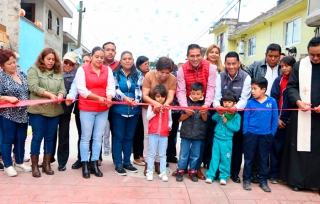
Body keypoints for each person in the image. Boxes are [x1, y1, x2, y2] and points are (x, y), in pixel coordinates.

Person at [279, 37, 320, 192]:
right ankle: (298, 181)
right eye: (312, 55)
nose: (315, 58)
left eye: (319, 55)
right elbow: (292, 87)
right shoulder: (300, 65)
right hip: (302, 114)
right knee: (300, 149)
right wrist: (297, 101)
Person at [73, 46, 115, 178]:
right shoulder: (82, 70)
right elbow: (82, 90)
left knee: (98, 137)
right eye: (97, 57)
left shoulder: (107, 69)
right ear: (91, 57)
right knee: (86, 137)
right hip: (87, 108)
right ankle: (84, 163)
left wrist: (108, 97)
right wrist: (98, 98)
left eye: (102, 58)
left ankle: (94, 163)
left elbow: (111, 87)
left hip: (103, 109)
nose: (99, 59)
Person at [176, 44, 216, 179]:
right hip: (188, 104)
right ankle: (182, 169)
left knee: (200, 141)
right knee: (185, 143)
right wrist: (184, 107)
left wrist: (206, 104)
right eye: (192, 56)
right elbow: (181, 90)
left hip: (204, 104)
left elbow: (211, 88)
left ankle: (195, 169)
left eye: (198, 55)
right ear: (187, 56)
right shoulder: (182, 70)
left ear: (202, 55)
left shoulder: (211, 67)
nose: (195, 58)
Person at [27, 48, 67, 177]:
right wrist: (50, 95)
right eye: (48, 59)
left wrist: (61, 94)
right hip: (38, 110)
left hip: (54, 111)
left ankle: (46, 163)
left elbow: (63, 89)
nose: (50, 62)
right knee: (37, 136)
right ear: (42, 59)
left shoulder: (57, 72)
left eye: (53, 59)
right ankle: (34, 165)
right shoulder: (34, 70)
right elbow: (33, 87)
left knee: (50, 138)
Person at [245, 43, 281, 183]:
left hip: (272, 107)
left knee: (266, 151)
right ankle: (251, 175)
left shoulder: (282, 67)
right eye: (270, 56)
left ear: (279, 56)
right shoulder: (256, 65)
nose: (272, 59)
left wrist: (272, 131)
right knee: (251, 152)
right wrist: (246, 131)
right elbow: (246, 76)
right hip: (255, 108)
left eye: (275, 56)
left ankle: (267, 176)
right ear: (265, 55)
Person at [213, 51, 251, 183]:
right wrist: (219, 108)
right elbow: (216, 96)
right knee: (219, 143)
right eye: (228, 64)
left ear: (239, 63)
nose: (231, 66)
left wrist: (233, 109)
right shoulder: (220, 76)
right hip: (221, 113)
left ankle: (234, 172)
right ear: (224, 63)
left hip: (237, 114)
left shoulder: (246, 77)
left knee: (237, 144)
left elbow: (244, 99)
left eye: (234, 63)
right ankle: (217, 171)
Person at [242, 77, 278, 192]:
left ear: (263, 90)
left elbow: (274, 119)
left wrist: (271, 133)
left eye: (255, 88)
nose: (252, 91)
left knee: (263, 159)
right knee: (249, 158)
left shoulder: (272, 102)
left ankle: (263, 181)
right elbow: (246, 119)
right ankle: (246, 180)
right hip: (251, 134)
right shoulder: (250, 103)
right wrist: (246, 132)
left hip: (266, 135)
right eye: (251, 88)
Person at [142, 57, 176, 175]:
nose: (164, 75)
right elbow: (145, 95)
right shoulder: (149, 76)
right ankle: (147, 162)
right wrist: (156, 105)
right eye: (162, 72)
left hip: (165, 110)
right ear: (156, 70)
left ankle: (157, 162)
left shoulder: (172, 79)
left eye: (167, 73)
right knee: (148, 135)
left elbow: (171, 96)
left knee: (161, 136)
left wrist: (165, 105)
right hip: (149, 109)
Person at [111, 51, 143, 176]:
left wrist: (137, 100)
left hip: (134, 111)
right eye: (125, 59)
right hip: (119, 110)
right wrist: (124, 99)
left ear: (133, 60)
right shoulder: (115, 74)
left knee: (129, 137)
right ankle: (118, 164)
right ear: (121, 60)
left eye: (130, 58)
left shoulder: (139, 74)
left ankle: (127, 162)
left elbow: (139, 89)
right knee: (118, 137)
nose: (127, 61)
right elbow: (115, 89)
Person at [0, 50, 31, 177]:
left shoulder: (21, 73)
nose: (13, 65)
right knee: (8, 140)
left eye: (14, 62)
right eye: (9, 64)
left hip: (23, 113)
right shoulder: (1, 78)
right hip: (8, 114)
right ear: (2, 65)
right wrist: (7, 98)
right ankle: (8, 165)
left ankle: (19, 161)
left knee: (21, 139)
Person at [269, 56, 295, 184]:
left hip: (294, 122)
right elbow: (273, 101)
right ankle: (273, 174)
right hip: (280, 121)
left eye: (287, 66)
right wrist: (277, 119)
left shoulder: (298, 81)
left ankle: (287, 176)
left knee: (290, 150)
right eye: (282, 66)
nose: (284, 68)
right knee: (276, 148)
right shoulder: (278, 81)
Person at [175, 82, 208, 182]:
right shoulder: (186, 103)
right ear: (190, 92)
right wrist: (187, 113)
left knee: (195, 154)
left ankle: (192, 172)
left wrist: (203, 113)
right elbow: (180, 119)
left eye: (198, 94)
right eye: (193, 93)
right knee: (183, 154)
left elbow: (205, 119)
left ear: (202, 93)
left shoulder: (205, 105)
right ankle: (180, 171)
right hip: (186, 133)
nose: (195, 96)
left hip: (199, 134)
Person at [206, 93, 241, 185]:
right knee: (214, 158)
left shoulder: (237, 116)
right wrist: (219, 113)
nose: (226, 104)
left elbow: (236, 128)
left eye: (229, 102)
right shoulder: (221, 111)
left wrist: (227, 122)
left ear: (234, 103)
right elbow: (214, 119)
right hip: (217, 139)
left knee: (225, 159)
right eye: (225, 102)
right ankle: (210, 175)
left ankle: (223, 176)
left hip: (227, 141)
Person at [52, 52, 78, 171]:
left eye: (71, 63)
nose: (67, 65)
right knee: (50, 135)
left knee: (63, 136)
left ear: (75, 64)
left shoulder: (76, 75)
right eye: (66, 62)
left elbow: (75, 91)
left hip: (65, 109)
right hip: (51, 108)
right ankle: (49, 158)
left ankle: (62, 162)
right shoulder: (54, 71)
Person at [146, 85, 172, 181]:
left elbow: (170, 120)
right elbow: (148, 117)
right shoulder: (151, 106)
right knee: (152, 153)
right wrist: (154, 111)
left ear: (165, 97)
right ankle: (150, 171)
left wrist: (169, 126)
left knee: (162, 154)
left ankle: (163, 172)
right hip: (153, 133)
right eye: (157, 96)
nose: (160, 99)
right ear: (153, 97)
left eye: (162, 96)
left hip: (164, 134)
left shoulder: (167, 108)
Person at [71, 53, 90, 169]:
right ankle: (81, 159)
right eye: (83, 61)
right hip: (80, 109)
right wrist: (70, 97)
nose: (85, 63)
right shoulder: (79, 74)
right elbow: (74, 89)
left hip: (95, 109)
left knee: (94, 137)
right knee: (82, 135)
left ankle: (94, 159)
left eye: (88, 61)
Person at [133, 55, 149, 166]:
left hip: (144, 109)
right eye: (145, 64)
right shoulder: (136, 75)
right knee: (137, 134)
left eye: (148, 64)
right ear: (139, 65)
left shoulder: (148, 75)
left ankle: (142, 154)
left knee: (144, 133)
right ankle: (136, 156)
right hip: (136, 109)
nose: (148, 66)